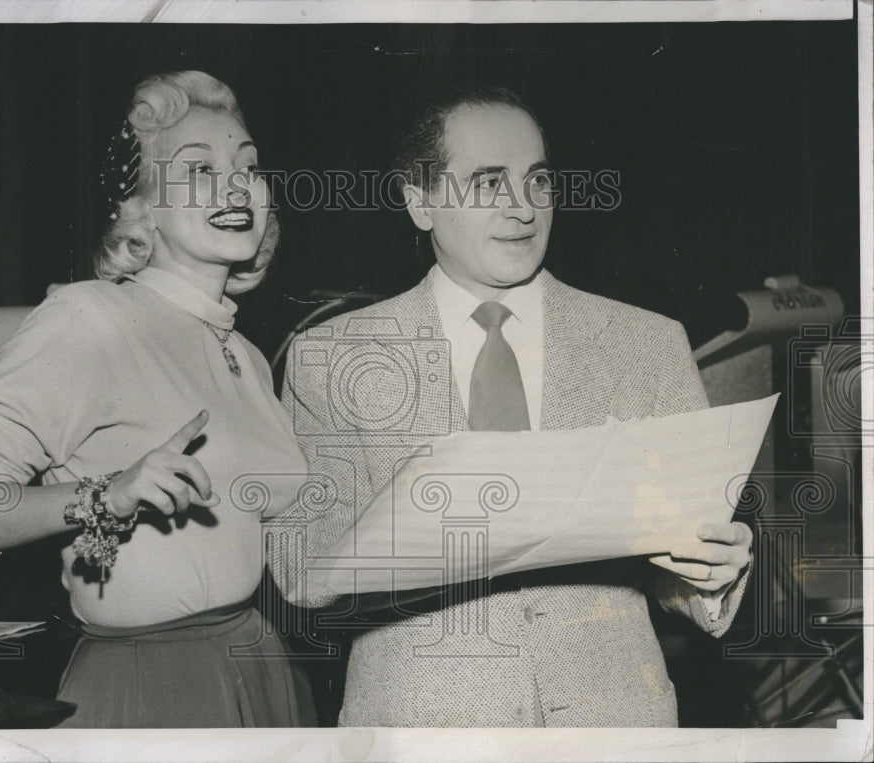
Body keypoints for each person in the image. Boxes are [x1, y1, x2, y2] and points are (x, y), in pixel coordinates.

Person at [278, 85, 753, 727]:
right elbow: (302, 571)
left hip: (611, 722)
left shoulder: (648, 343)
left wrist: (711, 572)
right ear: (420, 201)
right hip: (422, 723)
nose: (522, 208)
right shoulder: (332, 357)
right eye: (488, 183)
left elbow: (675, 573)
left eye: (537, 181)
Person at [0, 70, 315, 728]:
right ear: (143, 207)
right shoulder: (88, 318)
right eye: (199, 168)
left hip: (258, 662)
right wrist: (104, 495)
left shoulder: (246, 352)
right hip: (148, 685)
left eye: (247, 165)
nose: (236, 184)